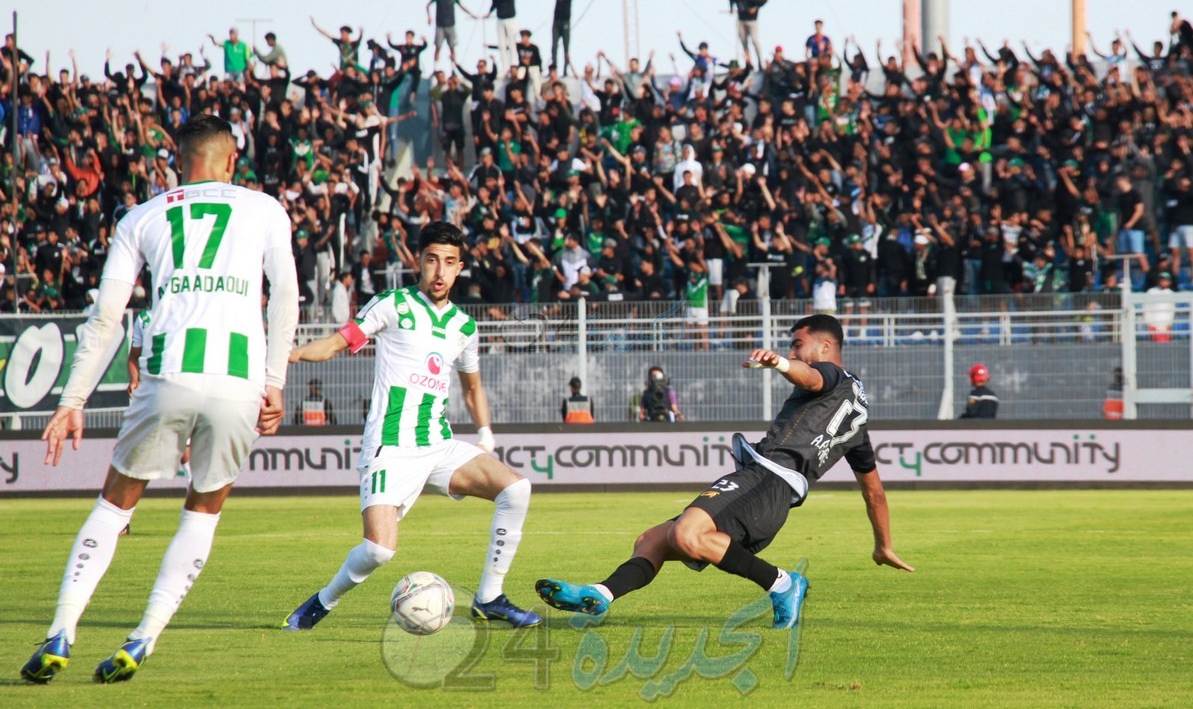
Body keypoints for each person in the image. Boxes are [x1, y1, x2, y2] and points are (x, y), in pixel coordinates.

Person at [21, 114, 300, 684]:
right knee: (202, 511)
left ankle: (61, 631)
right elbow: (287, 295)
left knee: (114, 505)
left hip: (167, 374)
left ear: (178, 161)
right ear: (230, 162)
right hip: (239, 382)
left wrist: (72, 400)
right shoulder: (265, 208)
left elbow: (107, 318)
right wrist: (274, 381)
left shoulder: (141, 217)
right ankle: (143, 636)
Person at [537, 314, 914, 628]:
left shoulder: (829, 374)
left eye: (798, 344)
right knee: (653, 538)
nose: (793, 351)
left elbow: (811, 377)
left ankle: (782, 583)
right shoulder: (858, 420)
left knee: (686, 534)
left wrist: (780, 364)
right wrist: (883, 545)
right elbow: (874, 491)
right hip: (770, 492)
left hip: (767, 478)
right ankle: (601, 594)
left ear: (825, 346)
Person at [282, 221, 541, 631]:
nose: (440, 272)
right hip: (391, 444)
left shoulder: (464, 326)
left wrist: (486, 434)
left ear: (460, 269)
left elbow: (472, 388)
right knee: (378, 551)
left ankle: (490, 597)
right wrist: (289, 356)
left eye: (449, 263)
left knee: (517, 489)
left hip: (437, 444)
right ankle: (321, 603)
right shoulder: (391, 305)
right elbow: (335, 342)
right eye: (432, 260)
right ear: (418, 262)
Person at [537, 0, 580, 75]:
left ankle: (565, 70)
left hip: (565, 22)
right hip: (556, 22)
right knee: (554, 47)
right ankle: (554, 69)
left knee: (566, 48)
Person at [426, 0, 478, 66]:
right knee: (438, 47)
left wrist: (471, 14)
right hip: (440, 25)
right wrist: (429, 17)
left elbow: (461, 5)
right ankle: (436, 67)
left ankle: (454, 66)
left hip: (450, 25)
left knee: (452, 47)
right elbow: (428, 5)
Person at [728, 0, 767, 68]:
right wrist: (731, 8)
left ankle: (760, 62)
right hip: (741, 21)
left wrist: (755, 8)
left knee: (754, 40)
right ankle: (748, 62)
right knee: (743, 41)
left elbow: (764, 0)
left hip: (752, 21)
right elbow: (730, 0)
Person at [488, 0, 518, 71]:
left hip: (510, 18)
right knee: (502, 44)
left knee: (511, 42)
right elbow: (494, 4)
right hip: (500, 18)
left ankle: (514, 63)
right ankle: (505, 66)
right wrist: (488, 13)